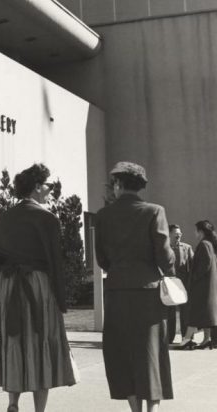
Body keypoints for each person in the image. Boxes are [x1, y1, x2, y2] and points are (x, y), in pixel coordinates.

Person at [0, 163, 76, 412]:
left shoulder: (5, 217)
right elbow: (55, 261)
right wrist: (60, 297)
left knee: (13, 340)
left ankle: (13, 403)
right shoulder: (47, 218)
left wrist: (1, 285)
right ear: (37, 187)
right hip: (36, 284)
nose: (51, 189)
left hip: (9, 284)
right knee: (40, 340)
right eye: (49, 185)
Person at [95, 162, 175, 412]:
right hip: (147, 293)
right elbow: (165, 257)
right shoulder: (154, 211)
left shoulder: (103, 216)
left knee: (122, 353)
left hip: (117, 292)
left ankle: (135, 410)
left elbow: (101, 259)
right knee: (150, 352)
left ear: (118, 184)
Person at [177, 220, 217, 350]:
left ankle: (187, 339)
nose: (195, 233)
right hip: (208, 286)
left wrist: (193, 278)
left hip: (201, 286)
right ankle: (206, 340)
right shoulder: (210, 244)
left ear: (200, 232)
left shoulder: (204, 244)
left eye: (196, 230)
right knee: (206, 314)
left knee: (194, 312)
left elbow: (204, 264)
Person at [167, 224, 194, 343]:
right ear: (169, 234)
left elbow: (193, 266)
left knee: (185, 311)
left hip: (183, 285)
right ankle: (169, 338)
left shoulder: (187, 248)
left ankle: (186, 337)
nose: (179, 236)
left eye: (180, 234)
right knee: (170, 312)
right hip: (169, 284)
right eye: (176, 234)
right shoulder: (164, 247)